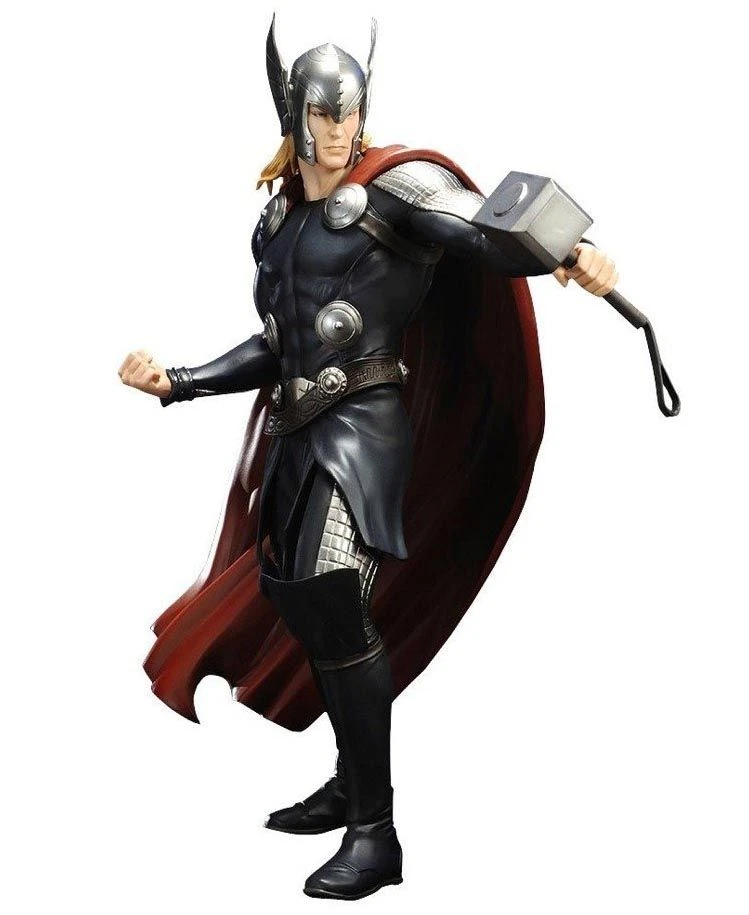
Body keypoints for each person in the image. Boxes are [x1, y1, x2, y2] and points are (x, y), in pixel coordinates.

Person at [119, 17, 618, 901]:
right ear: (292, 113)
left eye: (348, 110)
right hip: (297, 427)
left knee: (331, 594)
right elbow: (278, 343)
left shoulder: (397, 188)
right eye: (322, 112)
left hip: (364, 425)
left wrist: (570, 252)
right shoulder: (279, 219)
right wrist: (180, 381)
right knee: (294, 595)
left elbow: (483, 231)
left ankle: (375, 833)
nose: (339, 128)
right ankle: (351, 781)